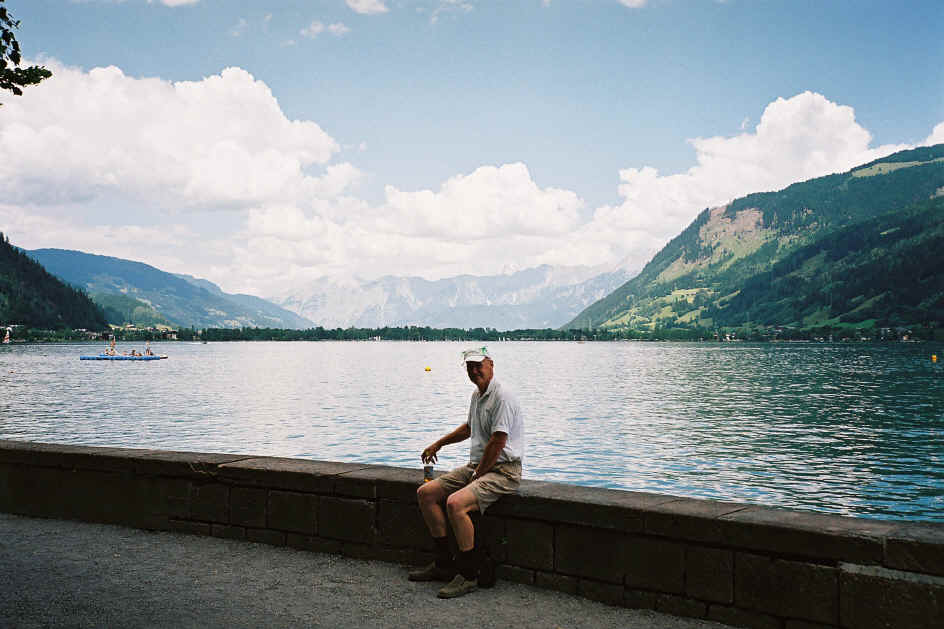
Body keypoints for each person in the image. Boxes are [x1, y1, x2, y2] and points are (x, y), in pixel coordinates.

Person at [410, 346, 525, 599]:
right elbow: (469, 428)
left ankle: (469, 575)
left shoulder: (503, 396)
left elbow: (498, 441)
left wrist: (478, 475)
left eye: (478, 366)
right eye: (470, 367)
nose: (474, 371)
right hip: (478, 466)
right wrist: (439, 443)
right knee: (426, 494)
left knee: (456, 504)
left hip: (504, 471)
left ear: (491, 364)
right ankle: (443, 564)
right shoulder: (477, 395)